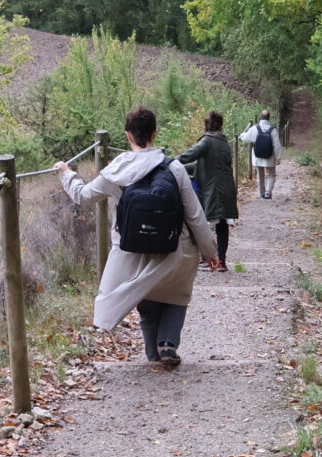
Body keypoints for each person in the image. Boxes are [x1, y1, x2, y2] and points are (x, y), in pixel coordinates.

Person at [57, 105, 222, 369]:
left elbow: (83, 196)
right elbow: (195, 215)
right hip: (175, 248)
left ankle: (153, 352)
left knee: (145, 292)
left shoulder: (117, 170)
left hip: (132, 250)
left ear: (128, 135)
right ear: (155, 133)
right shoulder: (174, 168)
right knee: (177, 295)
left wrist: (66, 173)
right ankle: (168, 344)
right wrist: (210, 251)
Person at [177, 110, 238, 269]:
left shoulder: (207, 141)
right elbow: (201, 166)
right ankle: (221, 261)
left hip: (214, 190)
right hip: (227, 188)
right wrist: (180, 167)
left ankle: (207, 258)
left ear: (207, 126)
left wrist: (170, 162)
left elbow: (190, 155)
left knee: (202, 223)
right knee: (222, 225)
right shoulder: (222, 142)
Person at [238, 109, 283, 199]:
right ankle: (268, 193)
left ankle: (262, 193)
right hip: (270, 157)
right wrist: (278, 158)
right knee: (271, 175)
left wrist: (241, 135)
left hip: (257, 157)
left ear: (260, 117)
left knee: (260, 176)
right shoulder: (273, 130)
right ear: (269, 118)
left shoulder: (254, 128)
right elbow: (277, 146)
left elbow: (245, 138)